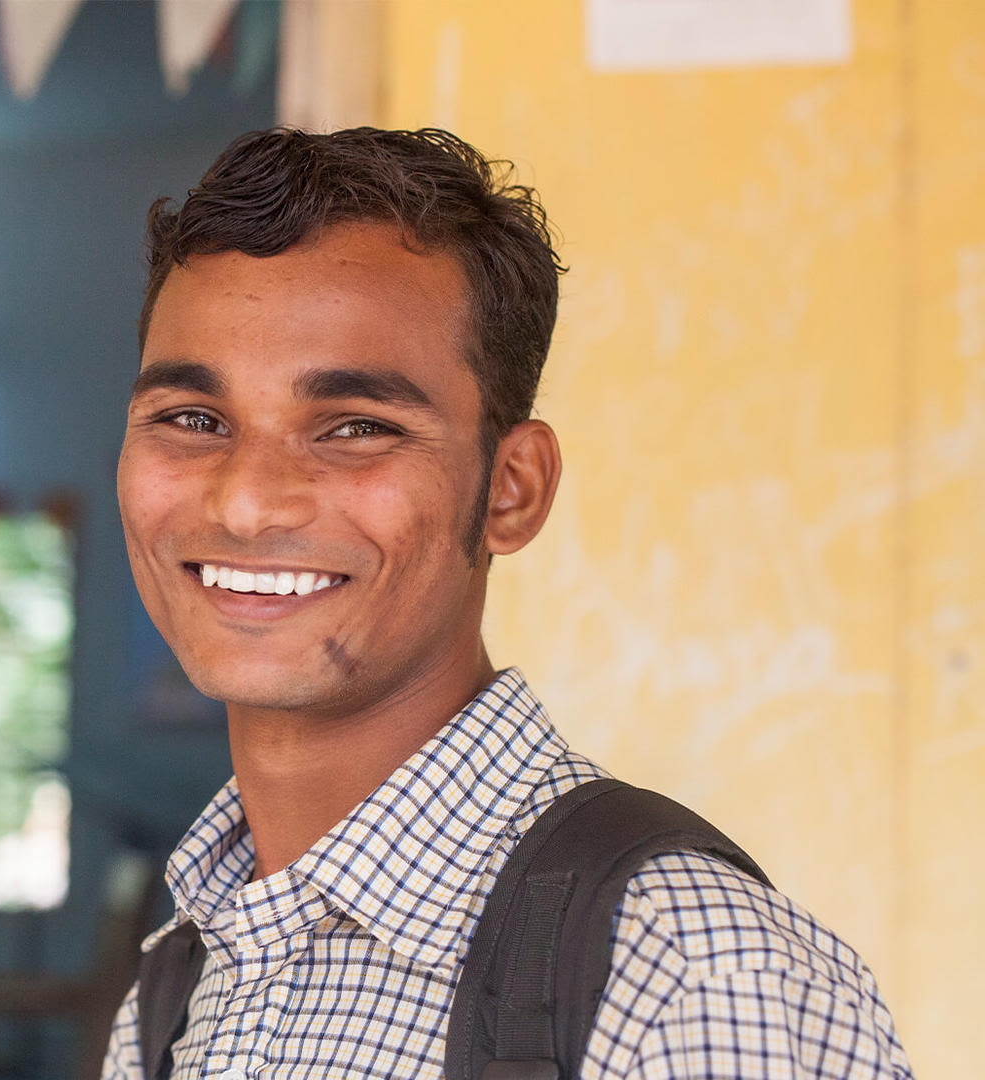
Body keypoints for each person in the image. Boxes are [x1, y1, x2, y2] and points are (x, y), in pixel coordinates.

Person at [104, 127, 914, 1080]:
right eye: (192, 420)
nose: (244, 502)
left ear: (512, 489)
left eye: (357, 427)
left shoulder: (690, 978)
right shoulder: (177, 987)